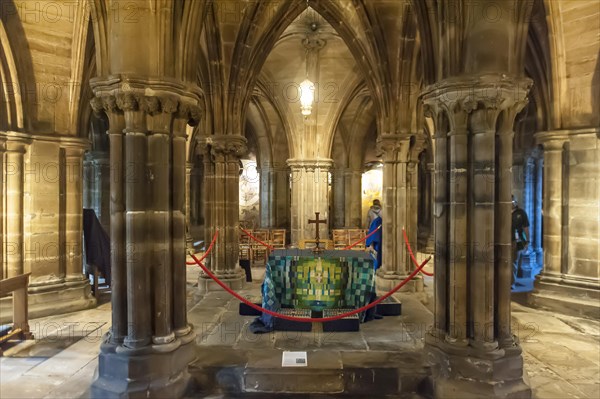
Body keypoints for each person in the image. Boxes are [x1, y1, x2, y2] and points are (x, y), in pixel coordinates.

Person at [364, 211, 383, 321]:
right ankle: (370, 312)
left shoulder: (379, 220)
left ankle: (371, 311)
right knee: (372, 278)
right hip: (376, 250)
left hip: (380, 250)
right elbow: (373, 235)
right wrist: (370, 245)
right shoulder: (377, 221)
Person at [511, 195, 530, 290]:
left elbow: (525, 227)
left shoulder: (521, 213)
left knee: (514, 261)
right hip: (502, 240)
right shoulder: (502, 210)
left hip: (516, 241)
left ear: (515, 202)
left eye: (512, 201)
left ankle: (511, 283)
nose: (511, 203)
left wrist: (527, 241)